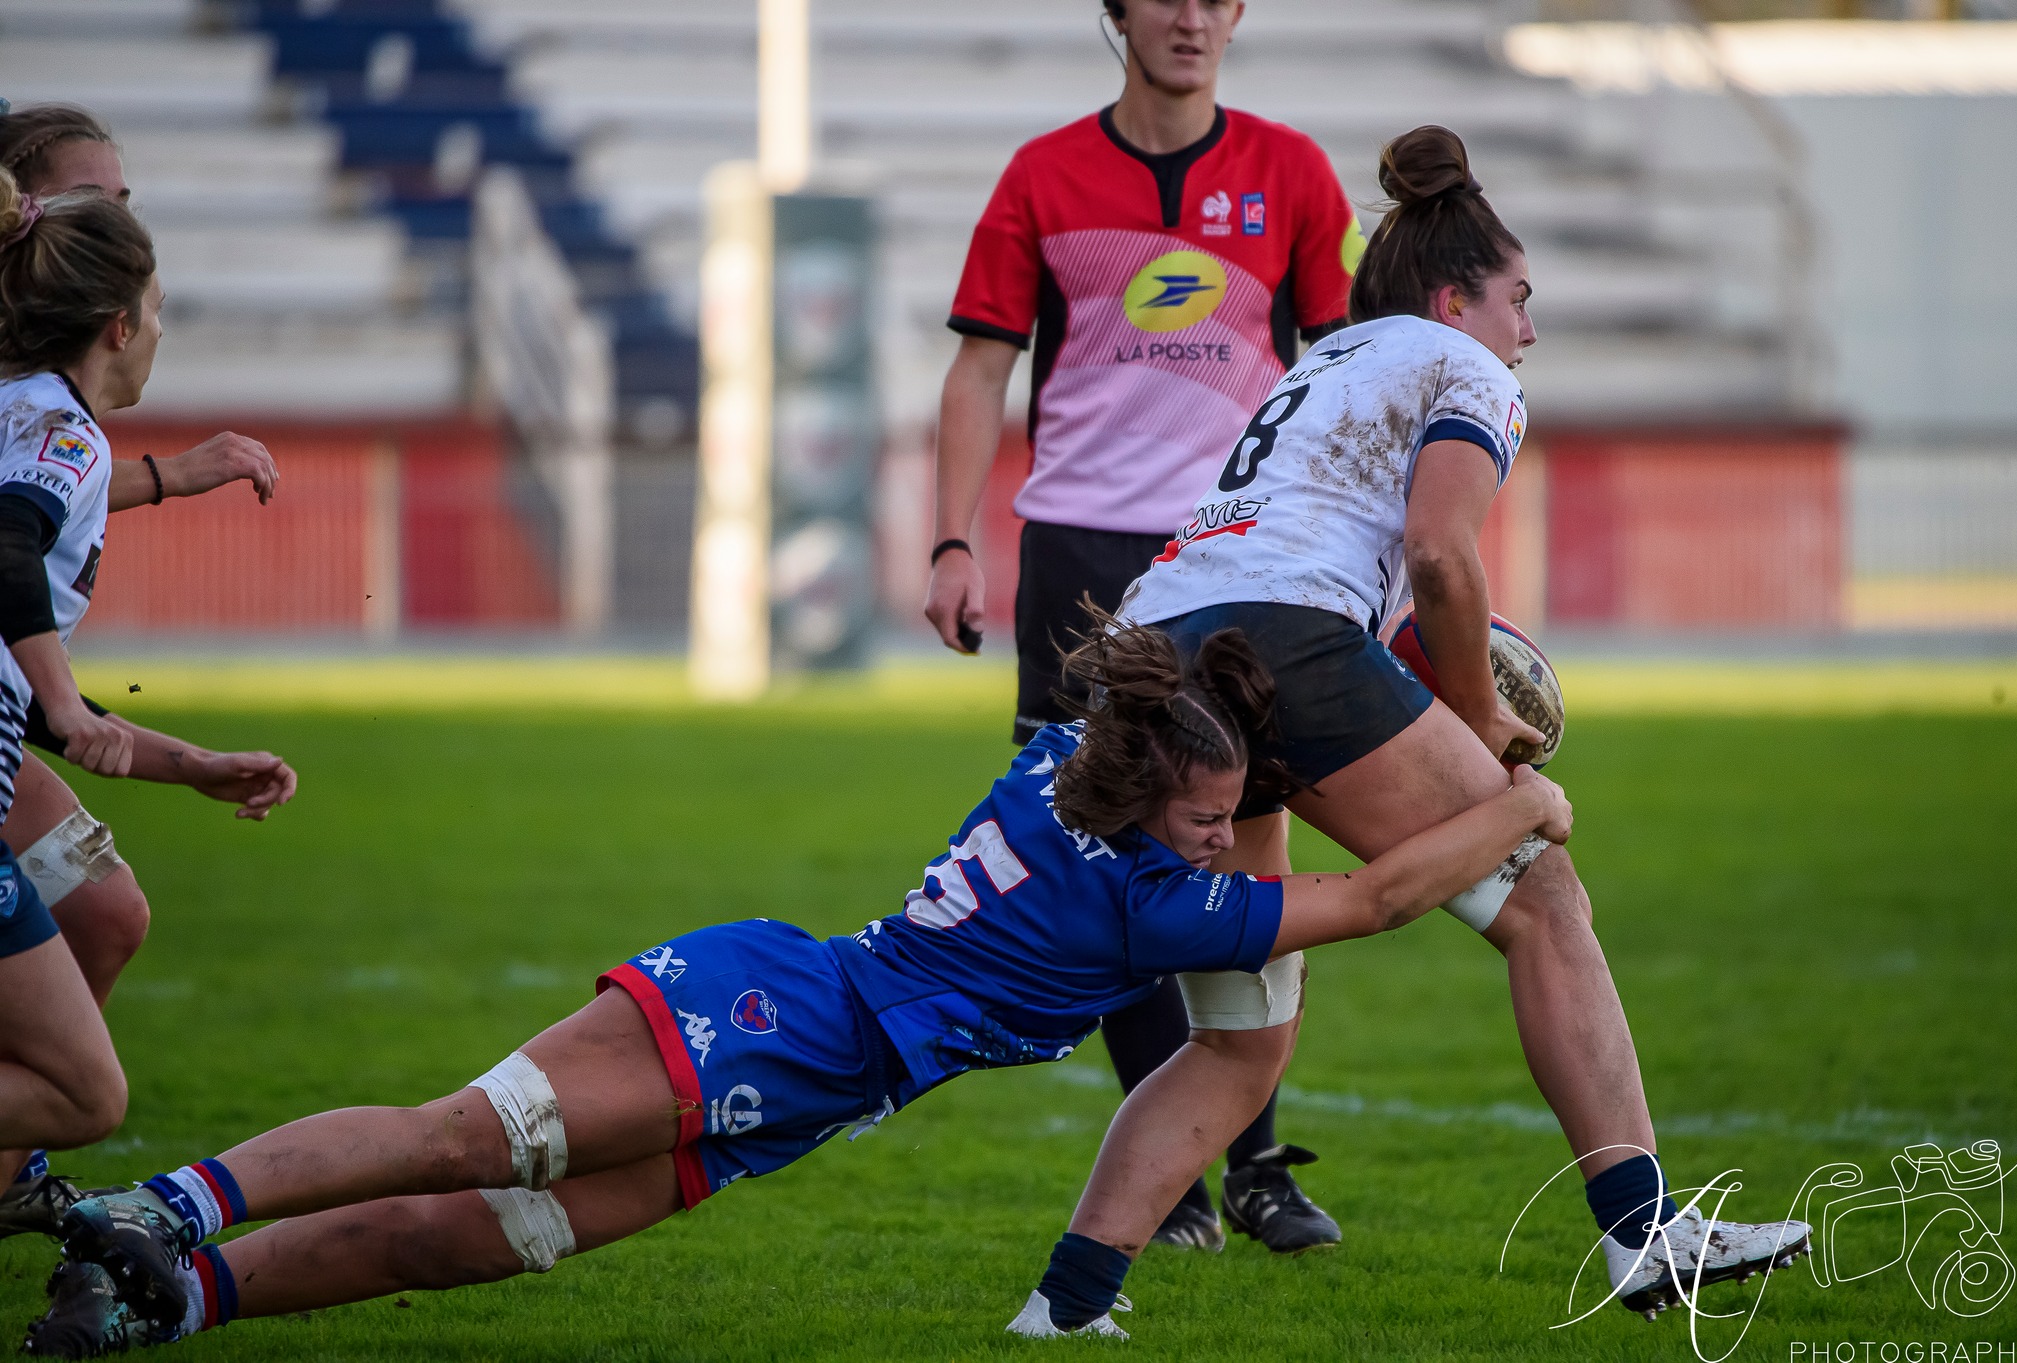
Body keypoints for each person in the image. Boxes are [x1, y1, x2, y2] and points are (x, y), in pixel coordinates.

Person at [23, 622, 1575, 1357]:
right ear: (1153, 794)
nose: (1214, 831)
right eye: (1203, 810)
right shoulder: (1145, 901)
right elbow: (1371, 897)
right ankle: (165, 1205)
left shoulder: (1065, 765)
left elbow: (1190, 740)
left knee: (485, 1231)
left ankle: (167, 1297)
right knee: (458, 1138)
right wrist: (1521, 796)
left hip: (808, 1066)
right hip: (784, 1019)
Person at [1023, 124, 1813, 1328]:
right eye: (1518, 299)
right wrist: (1480, 713)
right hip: (1278, 643)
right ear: (1455, 299)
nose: (1527, 331)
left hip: (1157, 650)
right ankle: (1649, 1236)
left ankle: (1067, 1303)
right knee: (1544, 903)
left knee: (1241, 1037)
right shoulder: (1466, 367)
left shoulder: (1323, 359)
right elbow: (1443, 556)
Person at [922, 0, 1365, 1252]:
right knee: (1108, 850)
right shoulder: (1040, 176)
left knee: (1247, 842)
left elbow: (1345, 372)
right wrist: (955, 540)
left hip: (1237, 555)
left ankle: (1259, 1168)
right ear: (1111, 14)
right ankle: (1170, 1177)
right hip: (1079, 560)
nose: (1185, 15)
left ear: (1235, 13)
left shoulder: (1291, 174)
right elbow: (977, 371)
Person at [0, 103, 290, 1242]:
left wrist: (192, 763)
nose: (121, 210)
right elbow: (11, 540)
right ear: (117, 321)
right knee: (88, 1093)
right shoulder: (60, 435)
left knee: (105, 920)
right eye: (101, 200)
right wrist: (66, 694)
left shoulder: (40, 415)